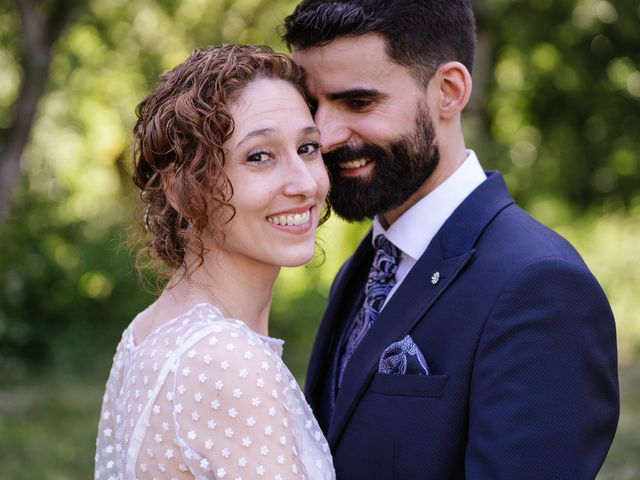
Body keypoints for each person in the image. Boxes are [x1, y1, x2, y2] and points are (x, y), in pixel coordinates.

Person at [282, 1, 619, 478]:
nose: (327, 135)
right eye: (313, 104)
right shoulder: (368, 265)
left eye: (358, 103)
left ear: (449, 91)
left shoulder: (540, 286)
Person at [95, 44, 335, 480]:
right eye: (259, 156)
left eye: (307, 147)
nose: (304, 183)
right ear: (180, 187)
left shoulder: (146, 332)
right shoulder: (229, 362)